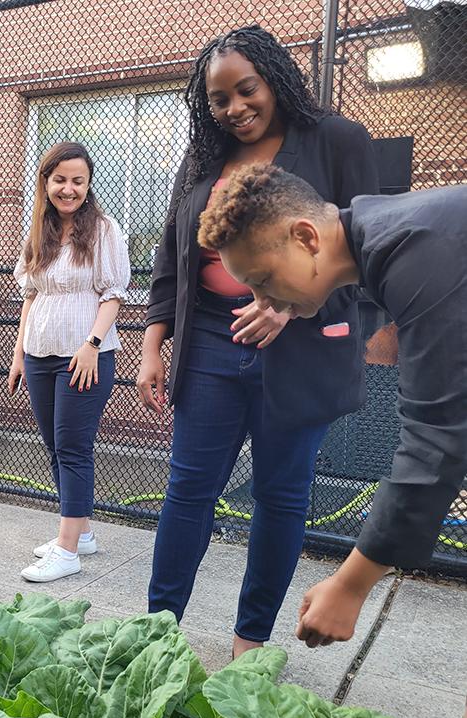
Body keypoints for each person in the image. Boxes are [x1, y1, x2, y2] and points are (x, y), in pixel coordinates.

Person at [136, 25, 379, 658]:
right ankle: (156, 634)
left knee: (280, 494)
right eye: (219, 99)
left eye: (247, 91)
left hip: (300, 347)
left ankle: (250, 643)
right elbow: (173, 257)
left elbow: (370, 250)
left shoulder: (335, 141)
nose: (236, 109)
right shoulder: (202, 155)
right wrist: (151, 345)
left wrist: (293, 307)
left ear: (274, 78)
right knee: (188, 489)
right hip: (212, 339)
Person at [198, 163, 467, 718]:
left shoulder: (417, 249)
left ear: (305, 237)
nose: (262, 300)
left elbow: (437, 438)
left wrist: (352, 582)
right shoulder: (382, 243)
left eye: (264, 279)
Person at [8, 142, 131, 583]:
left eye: (78, 180)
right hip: (39, 352)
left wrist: (92, 344)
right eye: (60, 180)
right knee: (55, 447)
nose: (68, 189)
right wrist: (19, 353)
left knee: (74, 448)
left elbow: (113, 293)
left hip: (84, 357)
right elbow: (30, 295)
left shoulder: (104, 230)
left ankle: (66, 550)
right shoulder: (38, 232)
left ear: (88, 184)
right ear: (46, 183)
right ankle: (82, 533)